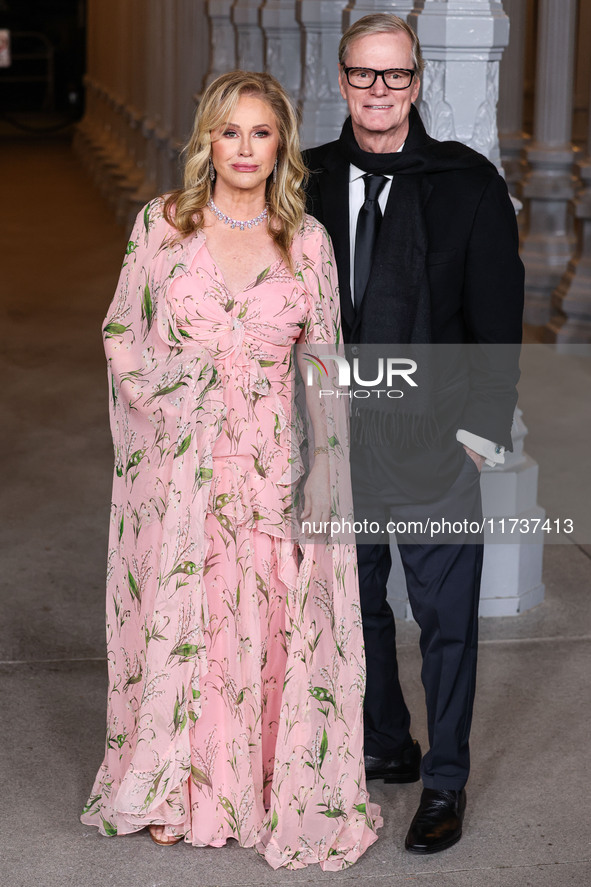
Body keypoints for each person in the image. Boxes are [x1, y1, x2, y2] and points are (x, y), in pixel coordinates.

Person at [81, 70, 381, 870]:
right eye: (228, 131)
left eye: (259, 131)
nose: (243, 147)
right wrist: (172, 405)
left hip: (271, 465)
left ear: (280, 142)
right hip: (181, 467)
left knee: (267, 618)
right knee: (188, 620)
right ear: (206, 140)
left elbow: (325, 364)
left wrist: (324, 478)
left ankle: (254, 782)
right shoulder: (163, 225)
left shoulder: (307, 241)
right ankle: (176, 785)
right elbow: (121, 331)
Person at [305, 14, 523, 854]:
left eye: (395, 77)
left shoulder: (467, 184)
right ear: (341, 79)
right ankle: (387, 741)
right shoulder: (311, 178)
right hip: (337, 442)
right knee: (352, 607)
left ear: (418, 82)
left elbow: (495, 322)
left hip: (434, 441)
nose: (378, 92)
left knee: (445, 622)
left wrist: (477, 434)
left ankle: (445, 779)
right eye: (363, 75)